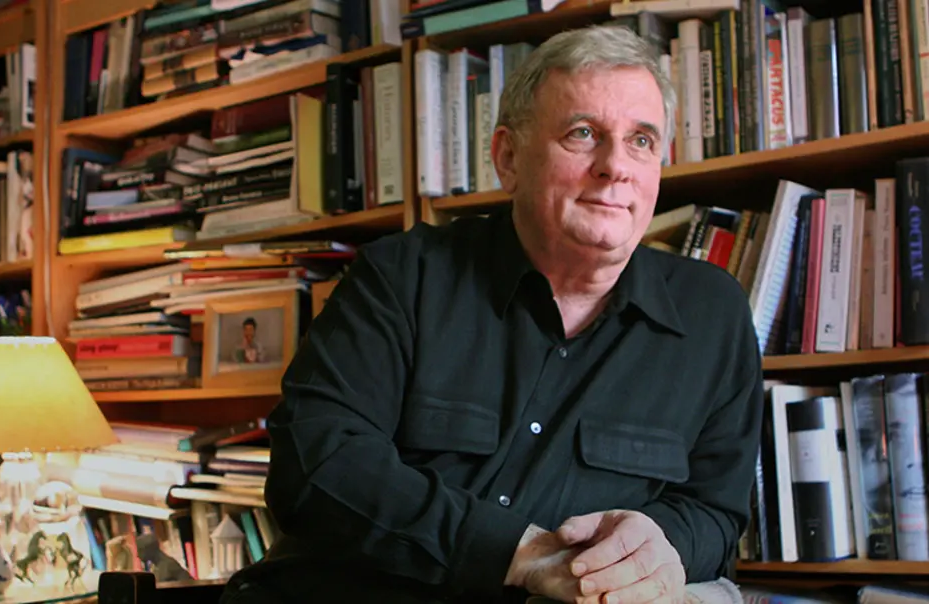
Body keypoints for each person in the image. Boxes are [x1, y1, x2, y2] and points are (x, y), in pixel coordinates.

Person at [219, 24, 763, 604]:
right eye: (583, 134)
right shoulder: (404, 277)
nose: (615, 166)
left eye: (642, 141)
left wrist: (656, 546)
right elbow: (317, 465)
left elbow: (715, 510)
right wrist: (519, 553)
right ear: (507, 157)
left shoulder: (713, 314)